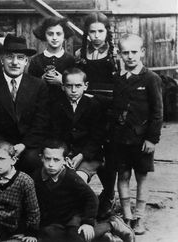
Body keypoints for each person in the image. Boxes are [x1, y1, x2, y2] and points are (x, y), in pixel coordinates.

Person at [0, 34, 50, 175]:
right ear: (1, 59)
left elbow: (42, 122)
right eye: (10, 56)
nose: (15, 62)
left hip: (27, 145)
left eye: (20, 57)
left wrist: (23, 145)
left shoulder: (38, 85)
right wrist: (4, 146)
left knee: (32, 160)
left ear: (26, 61)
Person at [33, 139, 135, 242]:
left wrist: (88, 222)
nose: (51, 164)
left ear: (65, 160)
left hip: (74, 217)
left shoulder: (71, 177)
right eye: (47, 159)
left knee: (76, 238)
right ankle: (102, 238)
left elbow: (91, 198)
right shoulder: (36, 177)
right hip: (56, 219)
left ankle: (111, 225)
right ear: (41, 158)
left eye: (56, 160)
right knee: (46, 236)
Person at [112, 34, 163, 235]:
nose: (130, 56)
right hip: (120, 139)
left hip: (142, 140)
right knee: (122, 175)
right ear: (120, 54)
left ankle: (140, 216)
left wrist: (152, 138)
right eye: (126, 52)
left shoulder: (151, 79)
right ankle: (127, 216)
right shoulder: (118, 79)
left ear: (142, 52)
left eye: (134, 52)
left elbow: (158, 112)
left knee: (142, 177)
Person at [75, 12, 119, 220]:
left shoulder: (115, 55)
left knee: (110, 156)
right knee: (92, 150)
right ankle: (84, 200)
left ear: (107, 32)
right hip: (90, 111)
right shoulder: (80, 54)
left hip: (111, 111)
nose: (96, 36)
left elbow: (121, 86)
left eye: (100, 31)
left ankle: (108, 195)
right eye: (92, 31)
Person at [49, 67, 105, 183]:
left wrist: (81, 155)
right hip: (64, 154)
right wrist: (64, 156)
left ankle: (88, 200)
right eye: (69, 86)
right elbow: (55, 134)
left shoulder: (94, 105)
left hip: (88, 154)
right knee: (57, 178)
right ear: (63, 87)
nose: (73, 90)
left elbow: (97, 137)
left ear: (86, 86)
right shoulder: (56, 105)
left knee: (78, 179)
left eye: (78, 86)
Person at [28, 16, 75, 101]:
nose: (54, 38)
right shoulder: (36, 61)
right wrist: (41, 81)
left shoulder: (71, 60)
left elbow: (77, 87)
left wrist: (63, 81)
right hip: (42, 106)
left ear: (64, 37)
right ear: (44, 36)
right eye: (50, 34)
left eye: (58, 34)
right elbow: (29, 88)